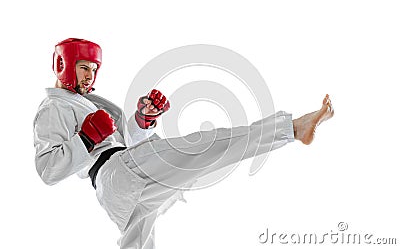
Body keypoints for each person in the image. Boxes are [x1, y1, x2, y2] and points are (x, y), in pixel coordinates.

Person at [33, 38, 334, 249]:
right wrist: (85, 139)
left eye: (94, 69)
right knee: (203, 146)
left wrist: (142, 120)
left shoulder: (84, 102)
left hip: (116, 188)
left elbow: (121, 143)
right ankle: (292, 128)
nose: (91, 75)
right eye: (85, 67)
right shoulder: (53, 108)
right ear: (63, 64)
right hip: (117, 172)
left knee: (138, 244)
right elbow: (48, 170)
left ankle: (291, 130)